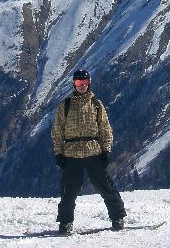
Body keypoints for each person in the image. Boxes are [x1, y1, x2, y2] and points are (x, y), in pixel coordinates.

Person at [51, 69, 126, 235]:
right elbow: (57, 131)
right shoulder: (66, 105)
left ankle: (117, 217)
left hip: (93, 151)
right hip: (72, 153)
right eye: (78, 83)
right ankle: (65, 222)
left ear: (89, 83)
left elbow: (105, 129)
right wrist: (59, 153)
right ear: (73, 84)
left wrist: (106, 150)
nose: (81, 86)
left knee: (106, 186)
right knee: (69, 191)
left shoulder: (96, 104)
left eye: (84, 83)